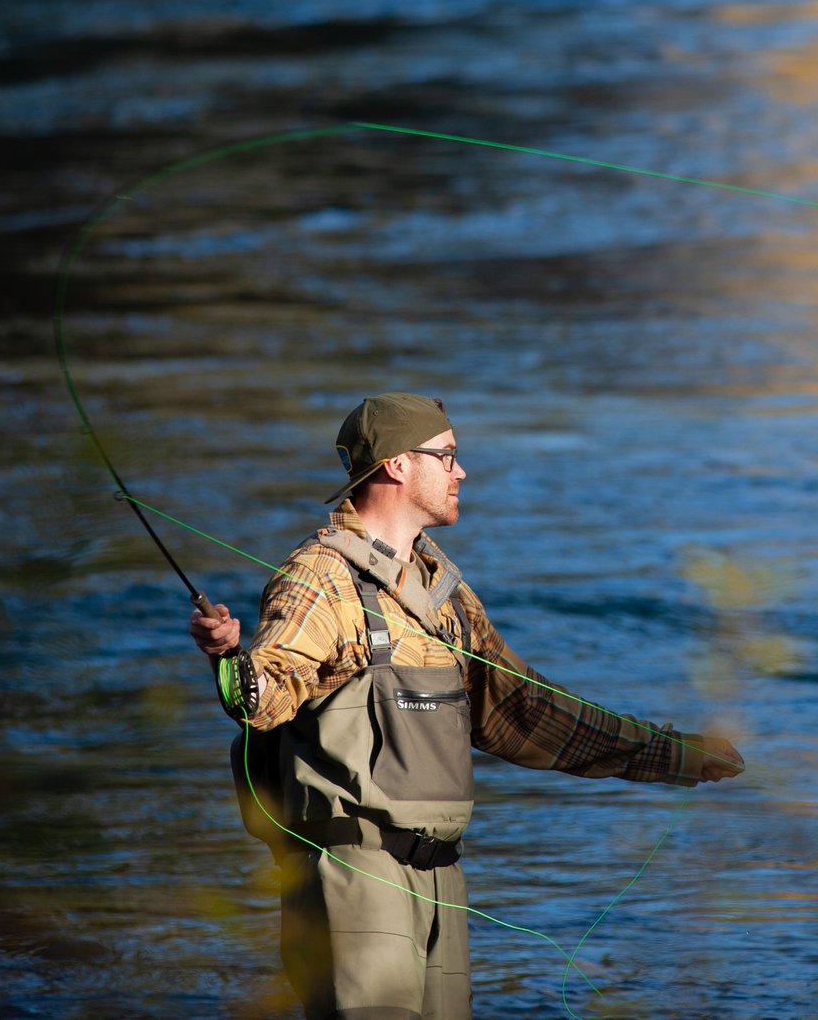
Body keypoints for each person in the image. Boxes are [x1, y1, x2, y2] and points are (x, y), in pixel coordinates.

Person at [187, 391, 743, 1020]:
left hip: (443, 878)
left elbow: (530, 711)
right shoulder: (318, 577)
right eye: (447, 456)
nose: (461, 472)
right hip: (356, 872)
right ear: (398, 465)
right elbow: (263, 696)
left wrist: (669, 755)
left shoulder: (443, 592)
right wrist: (227, 658)